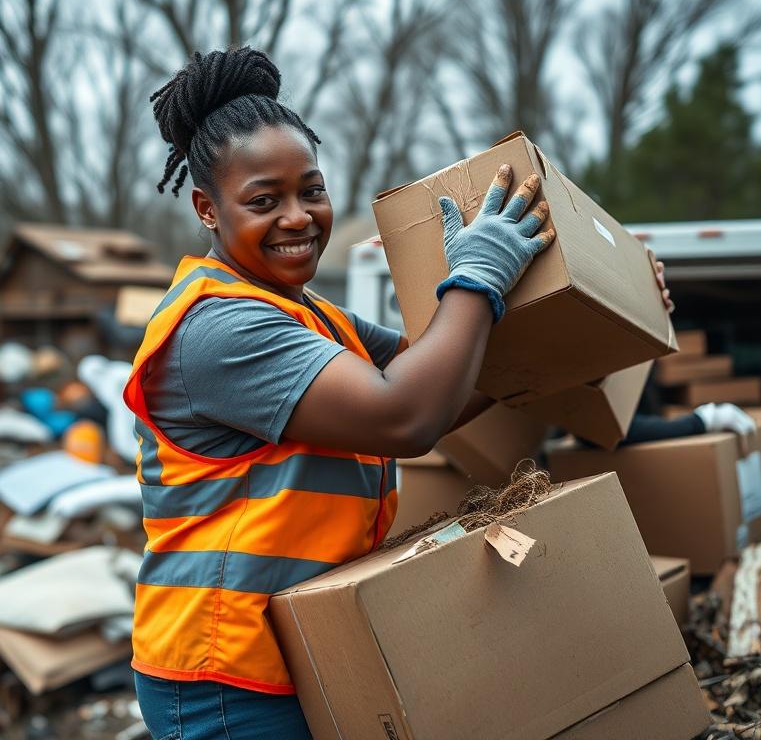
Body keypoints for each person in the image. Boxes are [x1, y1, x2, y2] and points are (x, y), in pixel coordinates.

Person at [122, 46, 666, 739]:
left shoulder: (306, 312)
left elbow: (443, 386)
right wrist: (474, 280)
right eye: (264, 201)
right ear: (206, 208)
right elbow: (407, 416)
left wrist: (599, 315)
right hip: (224, 674)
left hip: (294, 646)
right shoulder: (219, 328)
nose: (297, 217)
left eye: (311, 191)